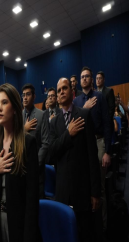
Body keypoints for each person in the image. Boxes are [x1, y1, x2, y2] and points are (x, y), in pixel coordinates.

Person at [0, 83, 40, 242]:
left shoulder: (28, 143)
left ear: (15, 108)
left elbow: (32, 199)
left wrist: (29, 235)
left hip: (19, 224)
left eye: (4, 103)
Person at [49, 78, 101, 242]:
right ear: (57, 97)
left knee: (85, 233)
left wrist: (95, 192)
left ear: (72, 92)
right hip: (63, 191)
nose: (62, 92)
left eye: (65, 88)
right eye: (59, 90)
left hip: (83, 190)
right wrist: (68, 134)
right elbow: (51, 153)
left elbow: (92, 156)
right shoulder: (54, 122)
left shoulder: (84, 114)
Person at [73, 66, 111, 231]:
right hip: (83, 146)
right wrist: (85, 109)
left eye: (87, 76)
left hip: (98, 141)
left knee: (99, 187)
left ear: (92, 78)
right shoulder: (77, 101)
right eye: (82, 77)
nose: (84, 79)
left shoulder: (99, 97)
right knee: (86, 184)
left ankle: (102, 226)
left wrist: (107, 151)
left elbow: (108, 123)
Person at [22, 83, 44, 198]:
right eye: (23, 95)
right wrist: (24, 130)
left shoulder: (41, 115)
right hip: (21, 170)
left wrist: (35, 165)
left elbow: (45, 144)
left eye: (28, 94)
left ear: (34, 97)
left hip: (36, 170)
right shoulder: (18, 117)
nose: (25, 97)